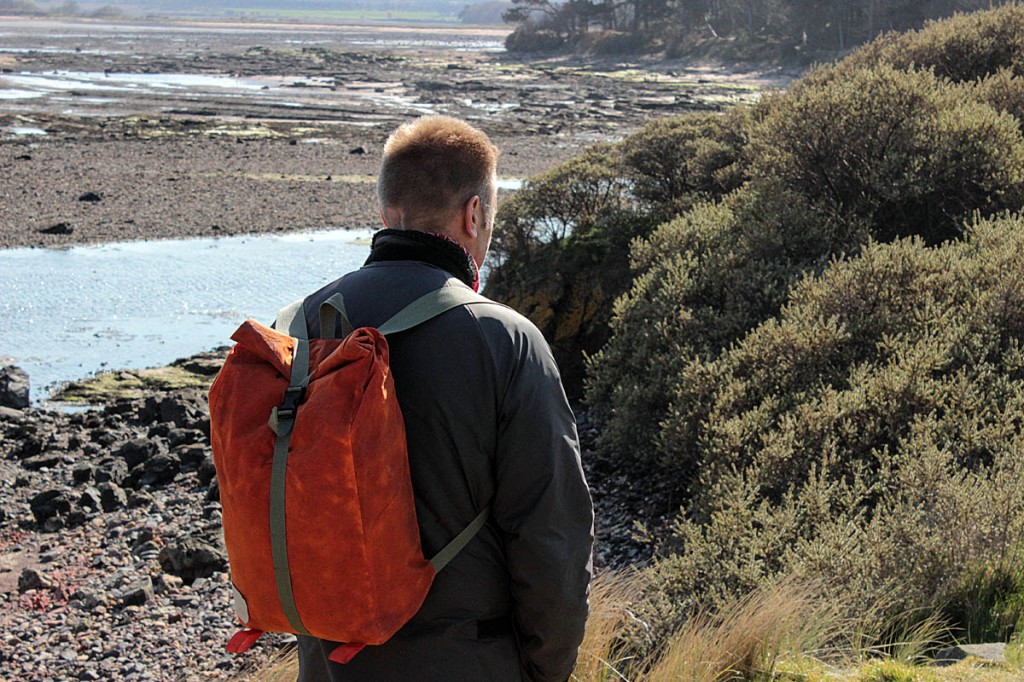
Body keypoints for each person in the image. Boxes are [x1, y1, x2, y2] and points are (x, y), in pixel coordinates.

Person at [294, 116, 594, 682]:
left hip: (330, 661)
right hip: (468, 660)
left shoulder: (307, 321)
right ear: (474, 213)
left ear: (386, 215)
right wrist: (544, 672)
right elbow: (552, 538)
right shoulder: (506, 340)